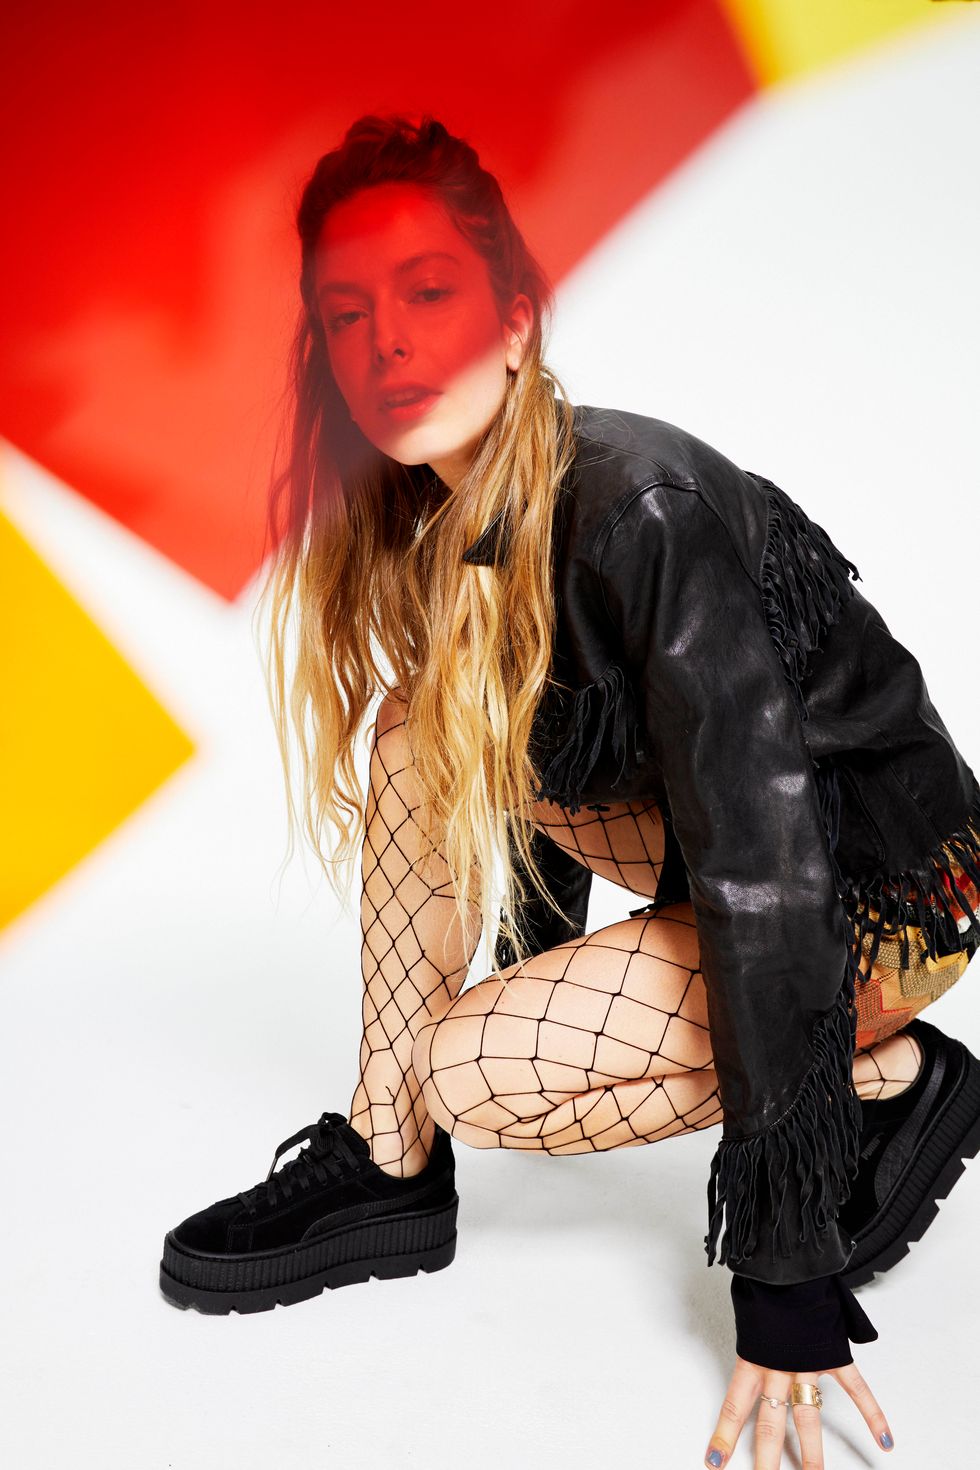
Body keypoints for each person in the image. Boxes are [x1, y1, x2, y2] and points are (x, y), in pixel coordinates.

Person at [158, 114, 980, 1468]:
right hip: (730, 842)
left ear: (516, 322)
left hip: (878, 889)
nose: (388, 342)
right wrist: (552, 968)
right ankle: (388, 1160)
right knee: (416, 730)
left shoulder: (639, 510)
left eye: (429, 292)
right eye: (348, 314)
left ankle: (892, 1078)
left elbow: (762, 856)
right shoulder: (446, 512)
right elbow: (540, 750)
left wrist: (784, 1276)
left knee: (478, 1072)